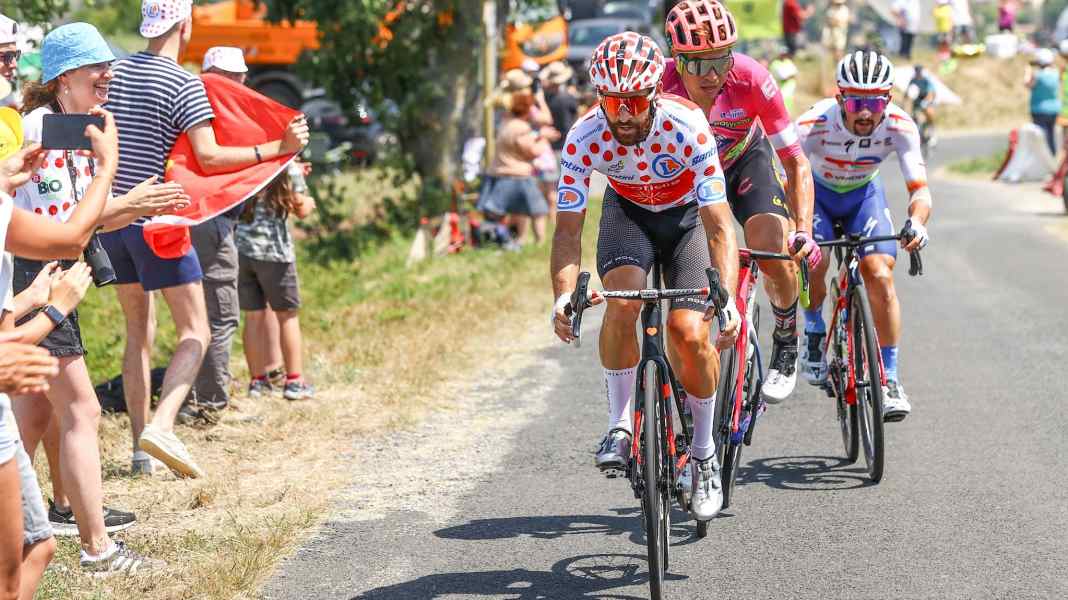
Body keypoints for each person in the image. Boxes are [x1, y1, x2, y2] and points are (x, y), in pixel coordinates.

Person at [8, 23, 190, 570]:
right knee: (83, 409)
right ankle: (97, 549)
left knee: (35, 412)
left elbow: (80, 221)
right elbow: (62, 227)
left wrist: (135, 203)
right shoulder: (43, 129)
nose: (108, 74)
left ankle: (21, 528)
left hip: (51, 271)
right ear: (65, 77)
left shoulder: (77, 128)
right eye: (97, 68)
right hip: (36, 277)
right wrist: (126, 198)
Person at [100, 0, 308, 478]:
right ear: (184, 23)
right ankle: (164, 425)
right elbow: (210, 158)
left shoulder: (117, 72)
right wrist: (277, 148)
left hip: (116, 221)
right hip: (161, 225)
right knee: (197, 330)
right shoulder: (183, 83)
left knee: (139, 334)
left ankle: (138, 451)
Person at [550, 32, 740, 521]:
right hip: (628, 214)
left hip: (685, 220)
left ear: (654, 93)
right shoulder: (584, 135)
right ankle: (618, 424)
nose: (625, 114)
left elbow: (719, 223)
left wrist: (729, 299)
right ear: (600, 99)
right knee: (622, 302)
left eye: (635, 101)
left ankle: (703, 454)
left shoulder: (688, 125)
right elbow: (568, 232)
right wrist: (561, 297)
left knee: (687, 332)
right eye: (613, 103)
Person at [663, 0, 820, 404]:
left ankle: (786, 337)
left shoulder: (751, 78)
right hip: (687, 175)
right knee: (692, 273)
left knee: (772, 245)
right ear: (677, 60)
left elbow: (795, 160)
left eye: (721, 59)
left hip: (742, 162)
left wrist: (802, 228)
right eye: (698, 64)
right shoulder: (660, 87)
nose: (713, 74)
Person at [795, 51, 932, 421]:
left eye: (875, 102)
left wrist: (917, 223)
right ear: (840, 98)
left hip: (863, 196)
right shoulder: (812, 124)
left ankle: (889, 378)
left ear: (888, 99)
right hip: (818, 197)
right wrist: (798, 230)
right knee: (813, 259)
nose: (866, 113)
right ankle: (813, 329)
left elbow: (920, 190)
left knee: (880, 273)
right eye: (857, 102)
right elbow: (789, 180)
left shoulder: (900, 125)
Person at [182, 45, 253, 419]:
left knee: (195, 314)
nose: (239, 83)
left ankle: (199, 396)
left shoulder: (191, 105)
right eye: (234, 77)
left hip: (187, 219)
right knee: (221, 313)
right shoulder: (227, 117)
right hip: (211, 220)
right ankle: (209, 403)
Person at [236, 162, 316, 400]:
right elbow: (301, 209)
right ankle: (294, 381)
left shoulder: (245, 165)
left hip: (242, 251)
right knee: (287, 315)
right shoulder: (287, 167)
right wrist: (308, 198)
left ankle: (257, 382)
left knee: (253, 316)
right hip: (275, 254)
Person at [479, 71, 554, 246]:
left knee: (505, 212)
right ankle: (535, 243)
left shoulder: (503, 112)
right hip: (517, 173)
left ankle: (514, 240)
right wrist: (543, 137)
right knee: (537, 210)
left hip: (500, 172)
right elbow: (532, 149)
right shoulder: (520, 122)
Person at [539, 61, 577, 218]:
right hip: (566, 146)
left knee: (549, 187)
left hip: (547, 147)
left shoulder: (545, 99)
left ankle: (552, 217)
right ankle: (561, 217)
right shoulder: (568, 99)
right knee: (566, 187)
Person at [1026, 48, 1060, 156]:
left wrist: (1027, 71)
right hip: (1054, 109)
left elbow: (1028, 84)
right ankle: (1052, 155)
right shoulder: (1055, 73)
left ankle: (1044, 158)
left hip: (1039, 108)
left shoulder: (1038, 75)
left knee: (1041, 135)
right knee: (1050, 134)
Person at [906, 64, 937, 144]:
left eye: (919, 71)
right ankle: (917, 135)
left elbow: (931, 93)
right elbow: (908, 93)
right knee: (914, 118)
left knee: (929, 113)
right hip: (917, 102)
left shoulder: (926, 81)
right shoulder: (912, 81)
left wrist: (926, 101)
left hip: (926, 101)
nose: (918, 73)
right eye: (917, 71)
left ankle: (931, 132)